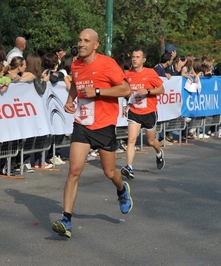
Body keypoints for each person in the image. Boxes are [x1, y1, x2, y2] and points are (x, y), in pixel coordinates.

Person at [51, 28, 132, 239]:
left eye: (86, 40)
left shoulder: (107, 64)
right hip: (83, 124)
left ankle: (122, 190)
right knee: (74, 170)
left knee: (109, 172)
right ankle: (66, 218)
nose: (81, 43)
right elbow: (76, 86)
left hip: (104, 125)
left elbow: (125, 90)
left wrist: (98, 92)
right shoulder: (76, 64)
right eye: (79, 40)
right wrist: (70, 101)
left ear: (96, 44)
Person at [120, 49, 165, 179]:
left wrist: (148, 91)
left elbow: (162, 90)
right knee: (131, 140)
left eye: (137, 57)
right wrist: (124, 105)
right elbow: (125, 91)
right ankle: (129, 167)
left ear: (143, 60)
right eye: (133, 57)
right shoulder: (127, 74)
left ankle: (159, 152)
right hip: (134, 111)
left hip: (149, 112)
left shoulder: (150, 73)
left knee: (151, 141)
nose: (134, 59)